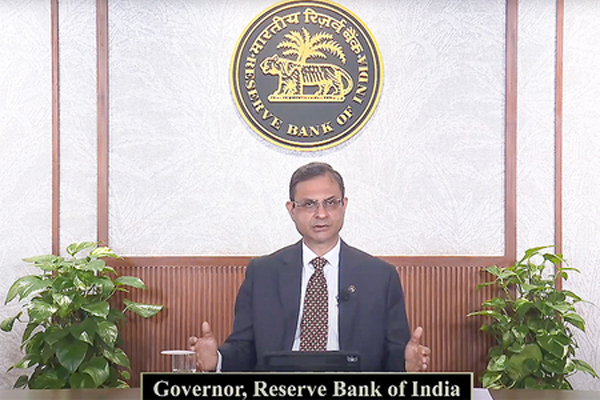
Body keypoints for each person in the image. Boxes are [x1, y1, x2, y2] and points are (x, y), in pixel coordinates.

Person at [189, 162, 430, 372]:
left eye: (330, 203)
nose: (321, 214)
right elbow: (244, 348)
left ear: (344, 205)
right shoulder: (263, 273)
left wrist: (406, 364)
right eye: (309, 204)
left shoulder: (379, 276)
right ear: (292, 210)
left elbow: (394, 354)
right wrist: (216, 359)